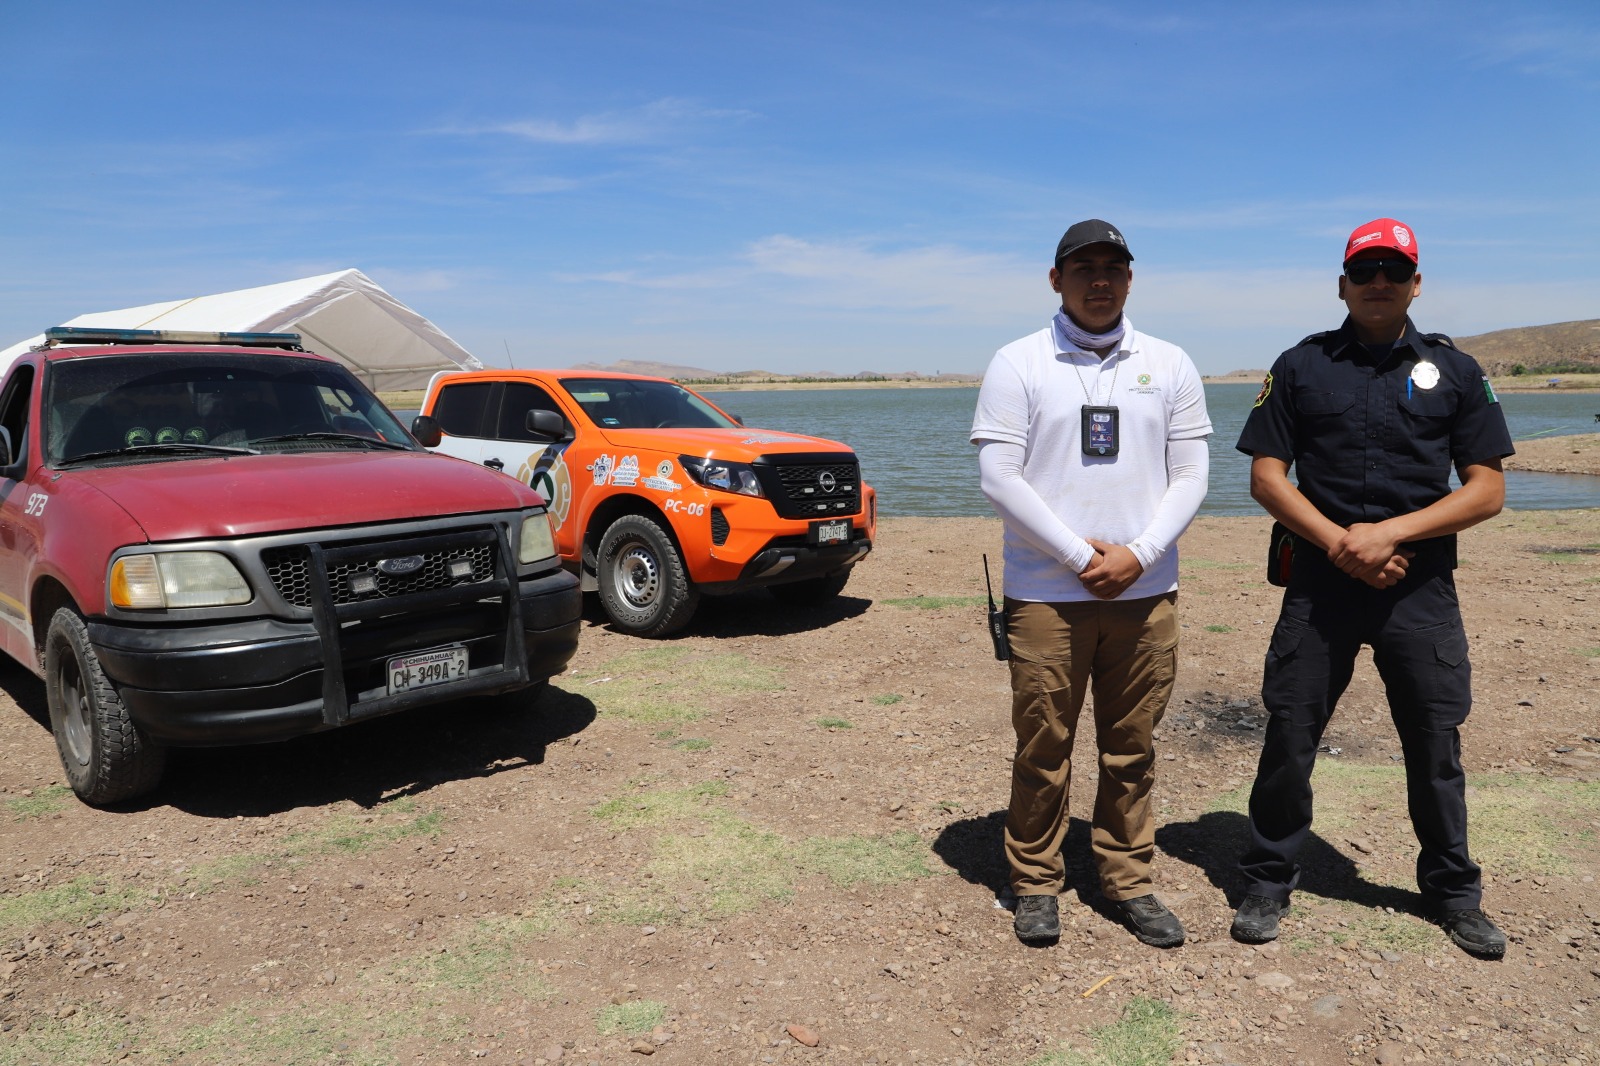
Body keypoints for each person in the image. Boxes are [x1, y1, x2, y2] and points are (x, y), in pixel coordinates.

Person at [1231, 218, 1513, 958]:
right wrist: (1344, 544)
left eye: (1394, 270)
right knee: (1290, 734)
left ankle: (1453, 893)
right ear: (1342, 285)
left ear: (1416, 283)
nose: (1378, 282)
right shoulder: (1300, 366)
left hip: (1419, 589)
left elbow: (1485, 490)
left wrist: (1391, 535)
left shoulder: (1456, 372)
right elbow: (1267, 478)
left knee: (1434, 742)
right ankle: (1267, 881)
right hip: (1320, 584)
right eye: (1364, 271)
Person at [971, 219, 1212, 947]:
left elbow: (1192, 474)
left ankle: (1128, 878)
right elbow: (998, 476)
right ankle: (1035, 880)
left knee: (1131, 746)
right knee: (1042, 745)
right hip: (1047, 595)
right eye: (1084, 268)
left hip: (1146, 592)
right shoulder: (1018, 362)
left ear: (1131, 279)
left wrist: (1140, 553)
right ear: (1056, 279)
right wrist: (1082, 557)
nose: (1099, 281)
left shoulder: (1169, 363)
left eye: (1113, 267)